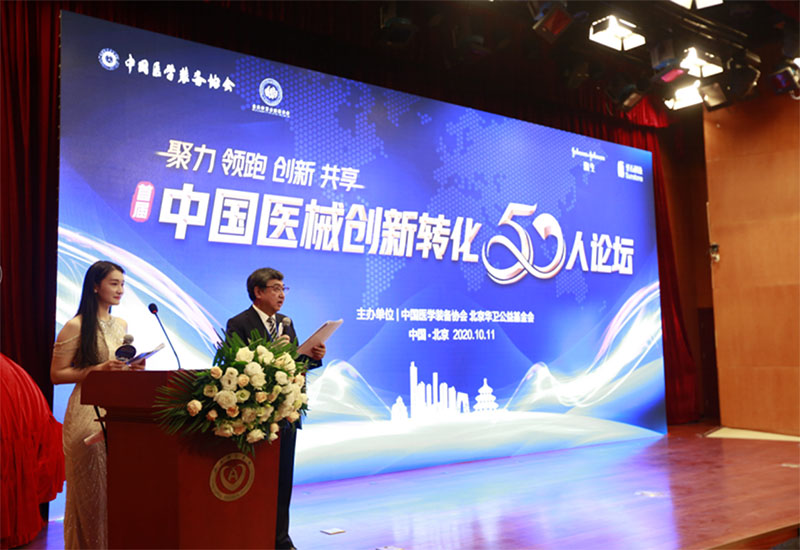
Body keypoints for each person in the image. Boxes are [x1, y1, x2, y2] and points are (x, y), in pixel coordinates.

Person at [226, 267, 325, 550]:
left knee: (283, 481)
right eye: (275, 288)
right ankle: (254, 538)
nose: (282, 295)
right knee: (258, 481)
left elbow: (294, 364)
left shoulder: (286, 323)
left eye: (284, 289)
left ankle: (281, 540)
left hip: (286, 413)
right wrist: (272, 353)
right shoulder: (239, 323)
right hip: (257, 417)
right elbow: (235, 367)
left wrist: (314, 356)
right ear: (258, 292)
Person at [50, 261, 144, 549]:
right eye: (114, 283)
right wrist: (97, 370)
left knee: (115, 494)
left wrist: (132, 368)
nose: (120, 290)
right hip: (86, 413)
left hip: (117, 412)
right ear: (94, 286)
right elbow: (56, 375)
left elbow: (116, 367)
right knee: (90, 495)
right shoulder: (76, 325)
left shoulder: (121, 325)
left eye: (122, 284)